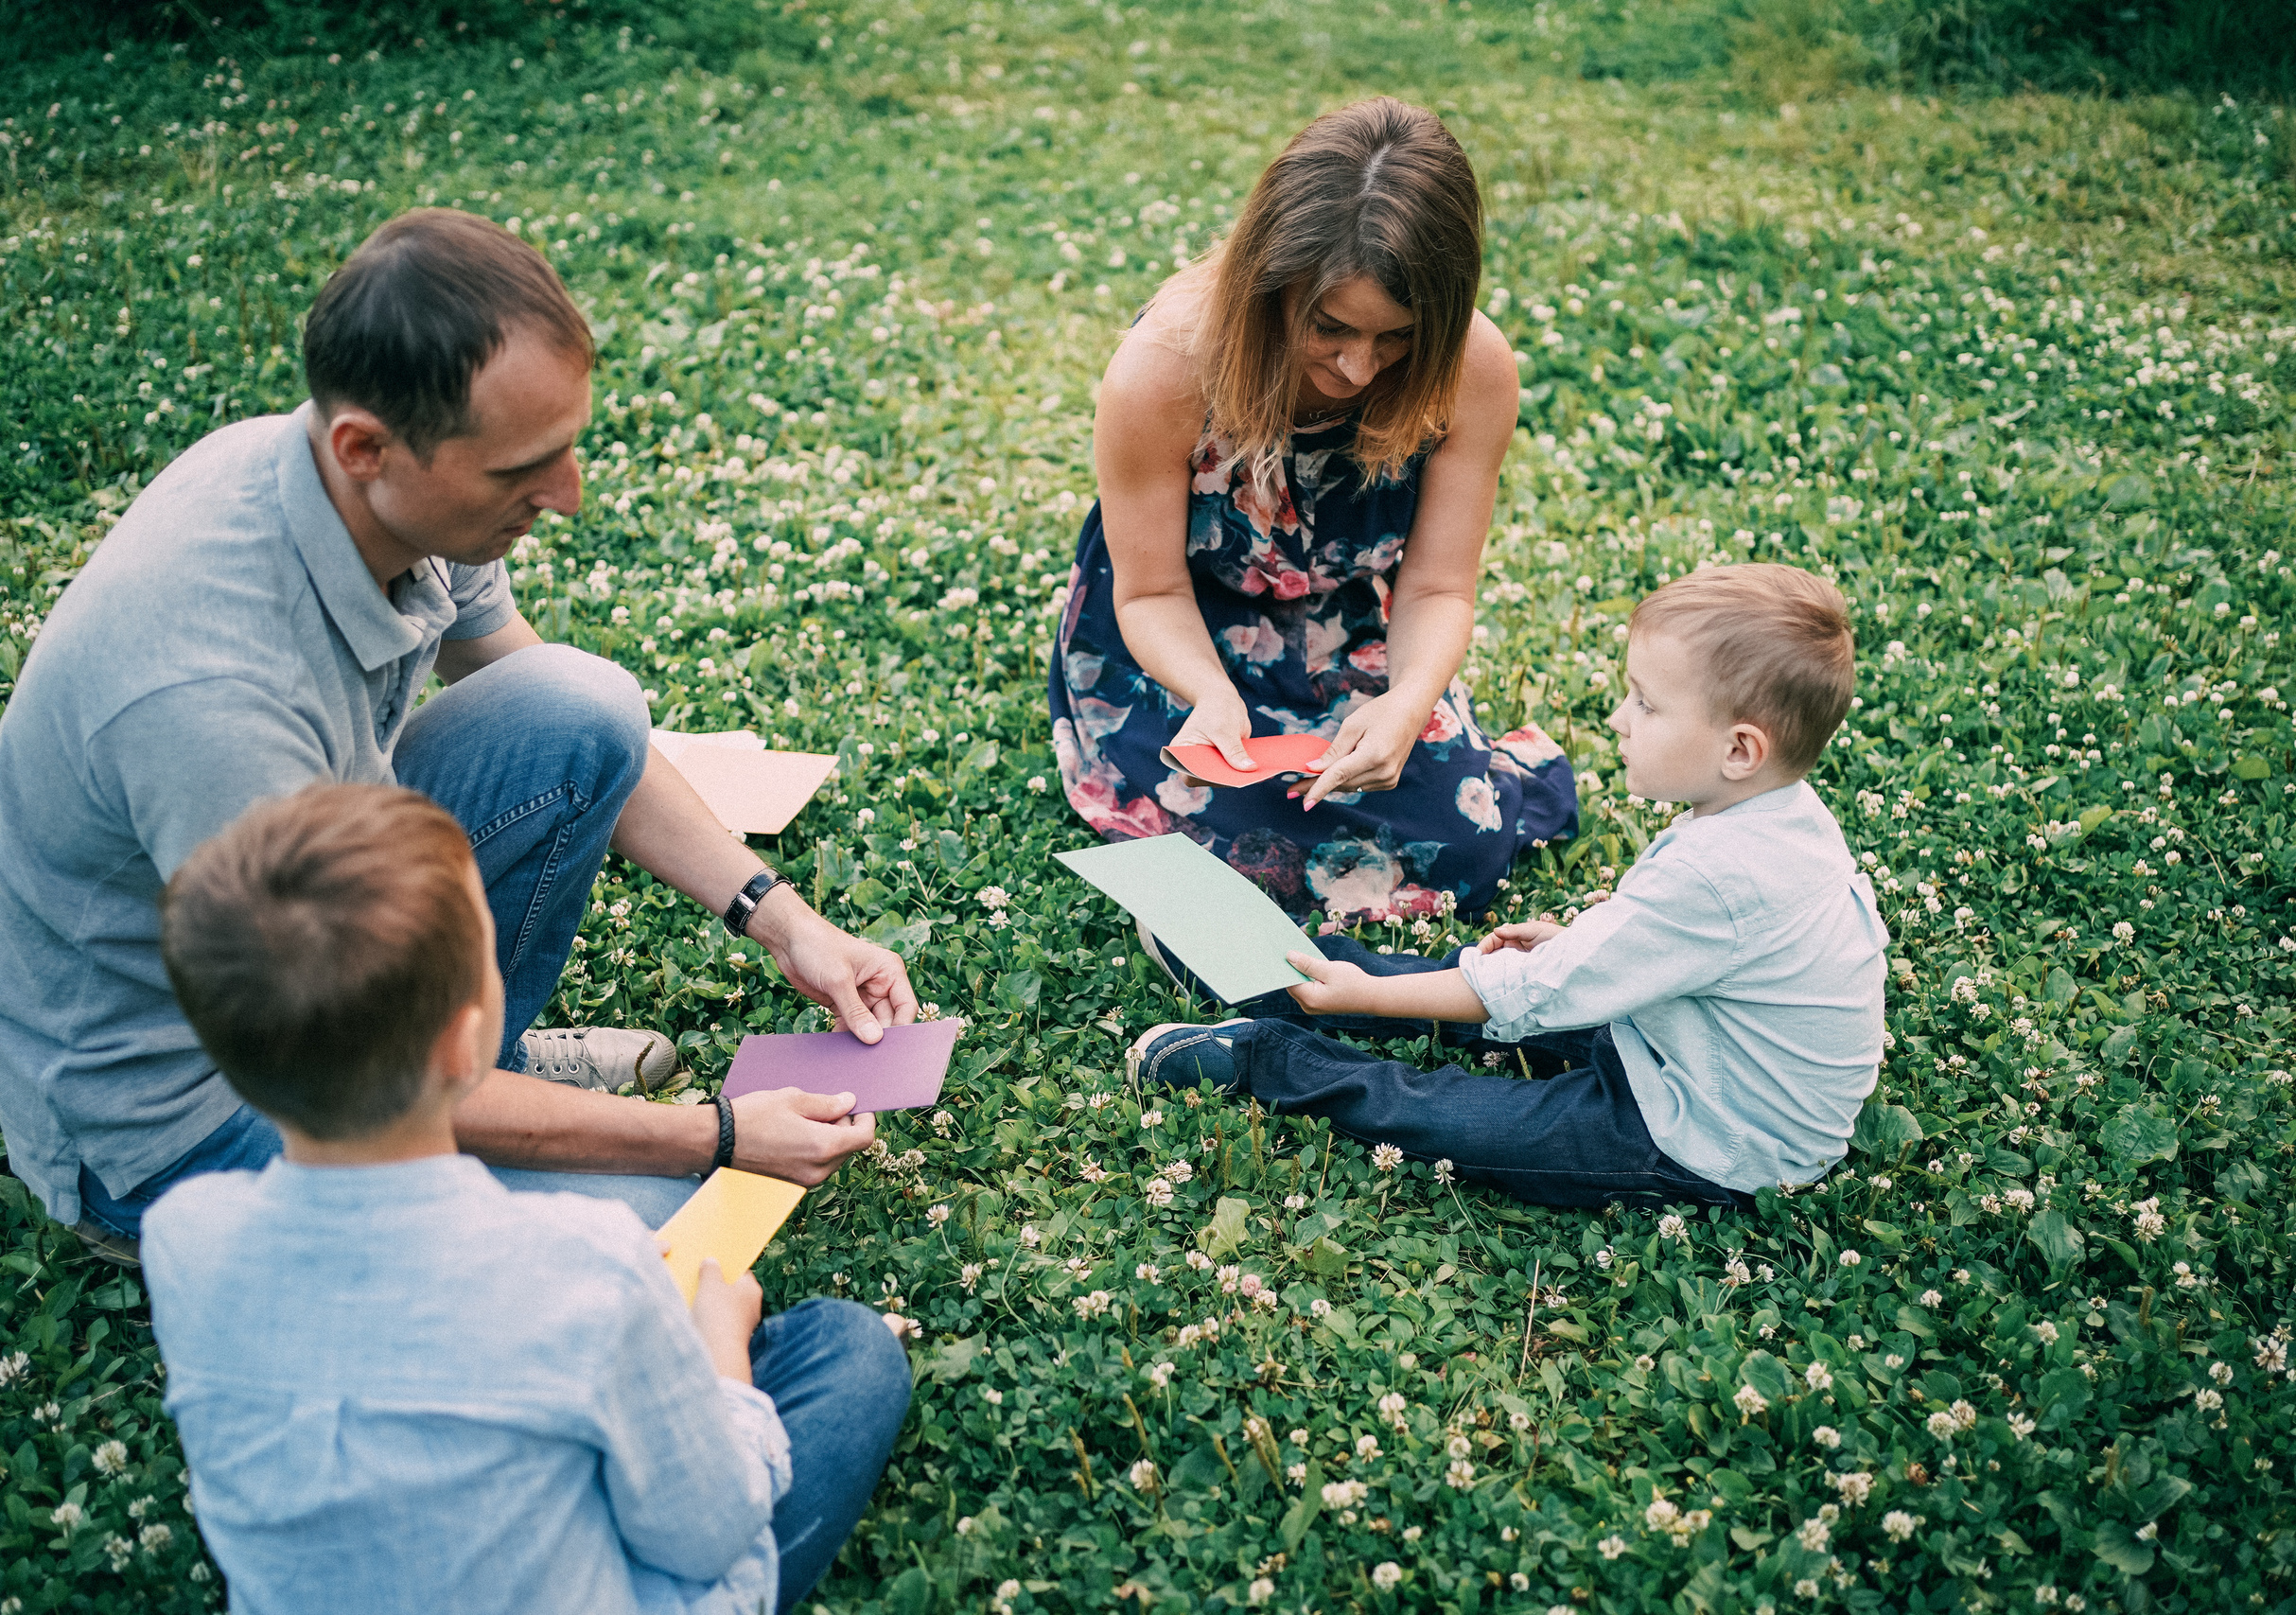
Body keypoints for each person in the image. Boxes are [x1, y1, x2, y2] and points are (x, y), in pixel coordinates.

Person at [0, 209, 912, 1262]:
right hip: (197, 1103)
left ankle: (488, 1066)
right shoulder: (213, 701)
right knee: (649, 1237)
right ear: (367, 448)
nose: (567, 497)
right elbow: (353, 1065)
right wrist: (713, 1136)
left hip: (322, 949)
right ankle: (450, 1115)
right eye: (523, 469)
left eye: (566, 447)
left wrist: (784, 920)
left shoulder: (378, 496)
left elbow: (559, 722)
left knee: (578, 702)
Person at [143, 782, 911, 1612]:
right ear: (464, 1039)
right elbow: (710, 1529)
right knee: (850, 1350)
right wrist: (722, 1352)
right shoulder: (590, 1265)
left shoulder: (183, 1239)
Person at [1125, 564, 1888, 1209]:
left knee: (1452, 1111)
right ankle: (1263, 964)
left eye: (1647, 704)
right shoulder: (1781, 815)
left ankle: (1268, 1059)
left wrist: (1373, 996)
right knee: (1469, 973)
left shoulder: (1718, 872)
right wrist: (1584, 945)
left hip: (1711, 1138)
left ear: (1740, 750)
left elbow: (1539, 990)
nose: (1617, 718)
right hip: (1682, 1043)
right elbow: (1693, 952)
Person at [1047, 97, 1576, 922]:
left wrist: (1407, 702)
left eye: (1397, 337)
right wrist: (1209, 696)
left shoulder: (1471, 368)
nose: (1360, 368)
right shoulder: (1166, 369)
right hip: (1178, 635)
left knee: (1466, 842)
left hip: (1348, 627)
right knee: (1218, 836)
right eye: (1331, 327)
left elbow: (1438, 587)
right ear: (1271, 281)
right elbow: (1149, 591)